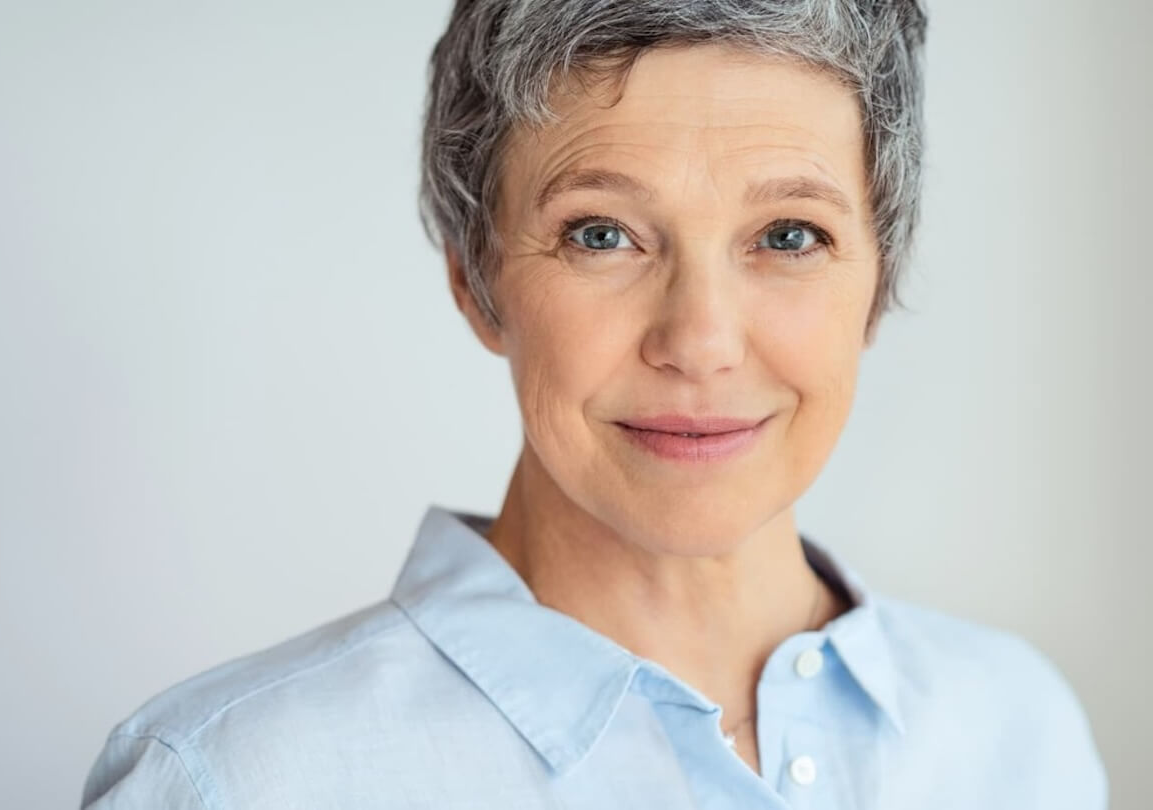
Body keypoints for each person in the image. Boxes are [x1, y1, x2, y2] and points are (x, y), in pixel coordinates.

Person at [81, 1, 1108, 807]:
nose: (700, 341)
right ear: (476, 282)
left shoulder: (1018, 734)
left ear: (878, 283)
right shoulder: (233, 784)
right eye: (602, 233)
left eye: (789, 236)